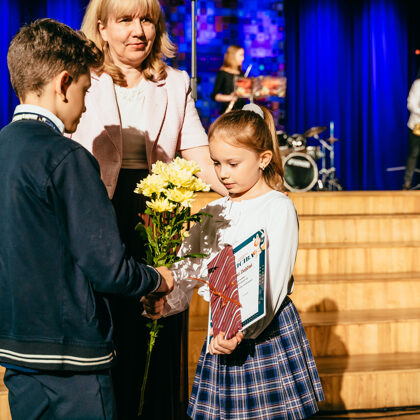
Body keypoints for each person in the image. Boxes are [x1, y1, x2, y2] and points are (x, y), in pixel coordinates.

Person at [0, 18, 173, 420]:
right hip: (73, 356)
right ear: (63, 84)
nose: (84, 103)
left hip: (16, 347)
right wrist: (156, 279)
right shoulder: (68, 158)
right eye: (84, 89)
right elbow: (107, 268)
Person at [70, 1, 226, 418]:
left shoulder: (175, 82)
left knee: (158, 336)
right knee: (112, 334)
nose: (139, 30)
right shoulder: (82, 77)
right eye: (125, 20)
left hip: (159, 219)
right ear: (102, 28)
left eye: (147, 20)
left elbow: (197, 154)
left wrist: (242, 188)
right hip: (99, 218)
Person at [155, 103, 325, 419]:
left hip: (262, 336)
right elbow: (187, 270)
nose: (222, 173)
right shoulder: (213, 211)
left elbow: (272, 284)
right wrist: (162, 298)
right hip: (221, 334)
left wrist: (238, 328)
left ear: (263, 159)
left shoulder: (277, 207)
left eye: (233, 163)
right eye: (216, 163)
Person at [211, 45, 248, 114]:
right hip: (228, 113)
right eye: (241, 55)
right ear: (233, 56)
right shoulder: (223, 73)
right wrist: (229, 97)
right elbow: (214, 95)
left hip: (242, 112)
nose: (243, 58)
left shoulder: (242, 73)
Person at [403, 74, 420, 190]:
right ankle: (407, 183)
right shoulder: (417, 84)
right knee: (413, 154)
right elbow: (410, 104)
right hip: (417, 125)